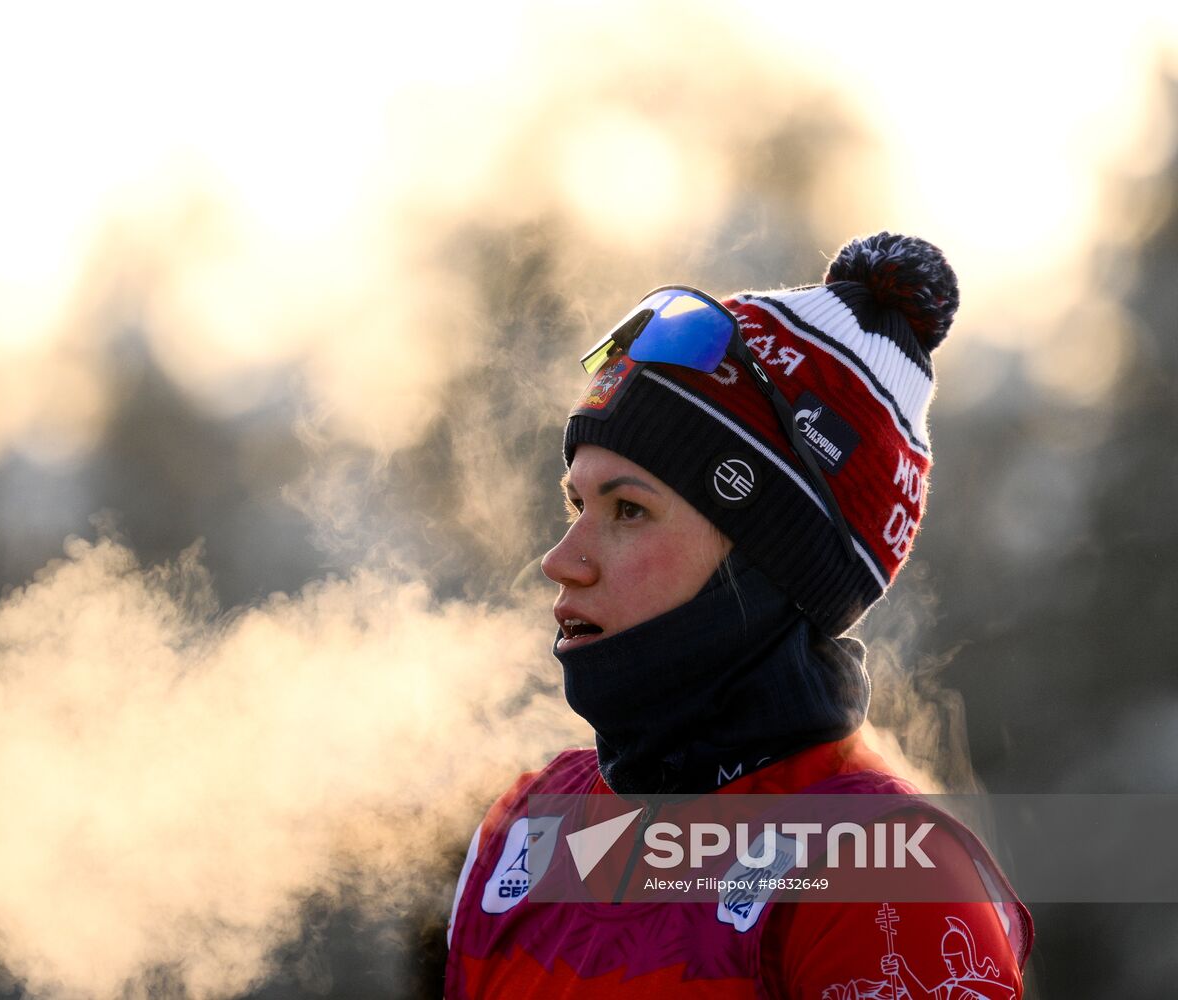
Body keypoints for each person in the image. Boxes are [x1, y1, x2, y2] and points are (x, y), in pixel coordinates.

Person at [443, 233, 1034, 998]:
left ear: (763, 566)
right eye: (576, 503)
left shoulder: (884, 878)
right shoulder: (524, 832)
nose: (562, 558)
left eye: (628, 510)